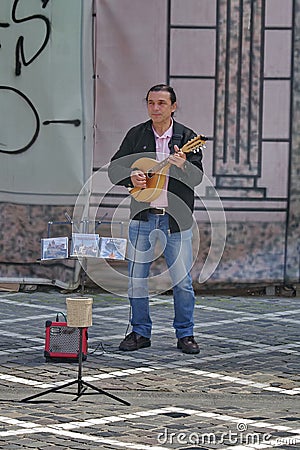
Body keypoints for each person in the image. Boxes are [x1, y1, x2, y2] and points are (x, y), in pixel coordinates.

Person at [108, 84, 204, 354]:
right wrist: (132, 177)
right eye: (151, 102)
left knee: (182, 281)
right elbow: (114, 170)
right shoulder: (136, 135)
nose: (156, 108)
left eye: (162, 103)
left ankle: (185, 334)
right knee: (136, 278)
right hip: (143, 217)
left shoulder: (188, 138)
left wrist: (183, 164)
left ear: (173, 106)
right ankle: (140, 332)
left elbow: (197, 179)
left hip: (176, 219)